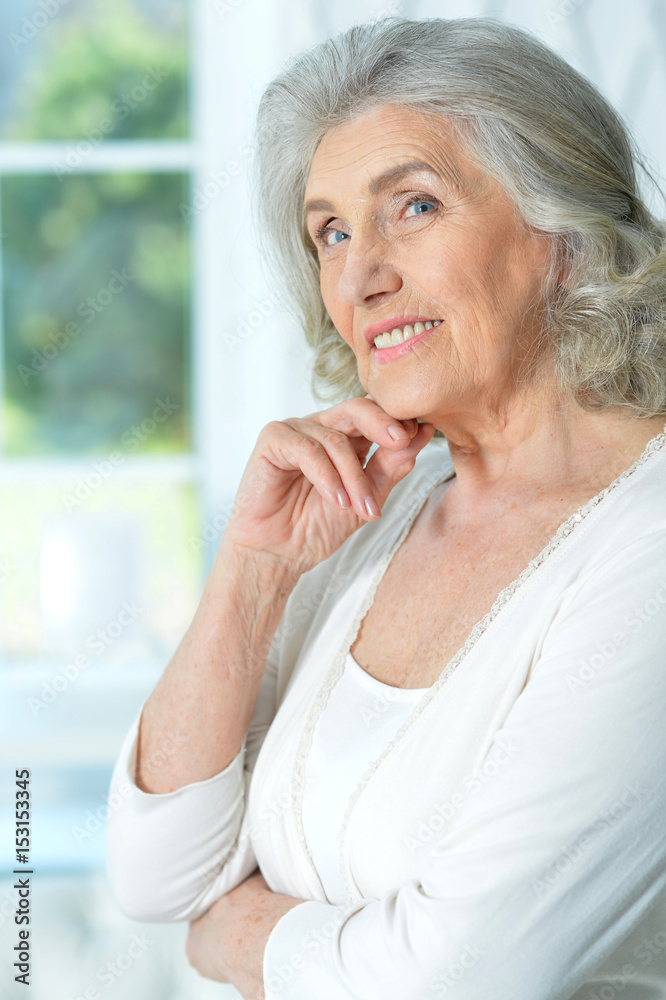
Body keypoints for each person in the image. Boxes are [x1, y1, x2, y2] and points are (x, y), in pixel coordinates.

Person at [106, 16, 666, 1000]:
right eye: (330, 230)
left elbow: (463, 978)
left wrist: (237, 942)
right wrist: (253, 571)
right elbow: (156, 873)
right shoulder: (372, 513)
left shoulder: (646, 542)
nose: (359, 275)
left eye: (413, 206)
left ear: (566, 239)